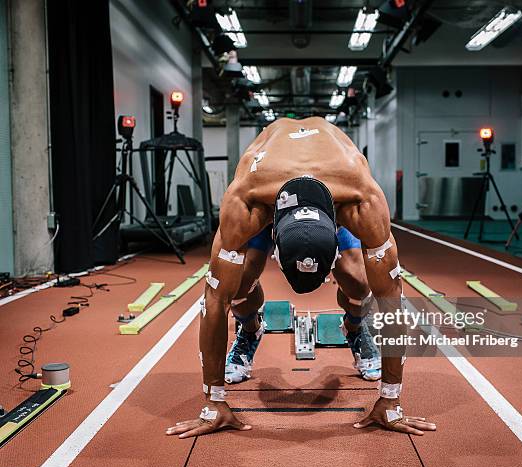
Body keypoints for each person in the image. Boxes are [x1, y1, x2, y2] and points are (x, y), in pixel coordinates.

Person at [166, 117, 436, 438]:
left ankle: (354, 328)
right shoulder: (245, 201)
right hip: (270, 192)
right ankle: (250, 331)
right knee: (235, 285)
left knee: (360, 281)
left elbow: (391, 303)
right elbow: (214, 301)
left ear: (338, 233)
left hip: (332, 192)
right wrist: (214, 401)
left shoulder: (361, 199)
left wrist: (391, 399)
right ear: (275, 242)